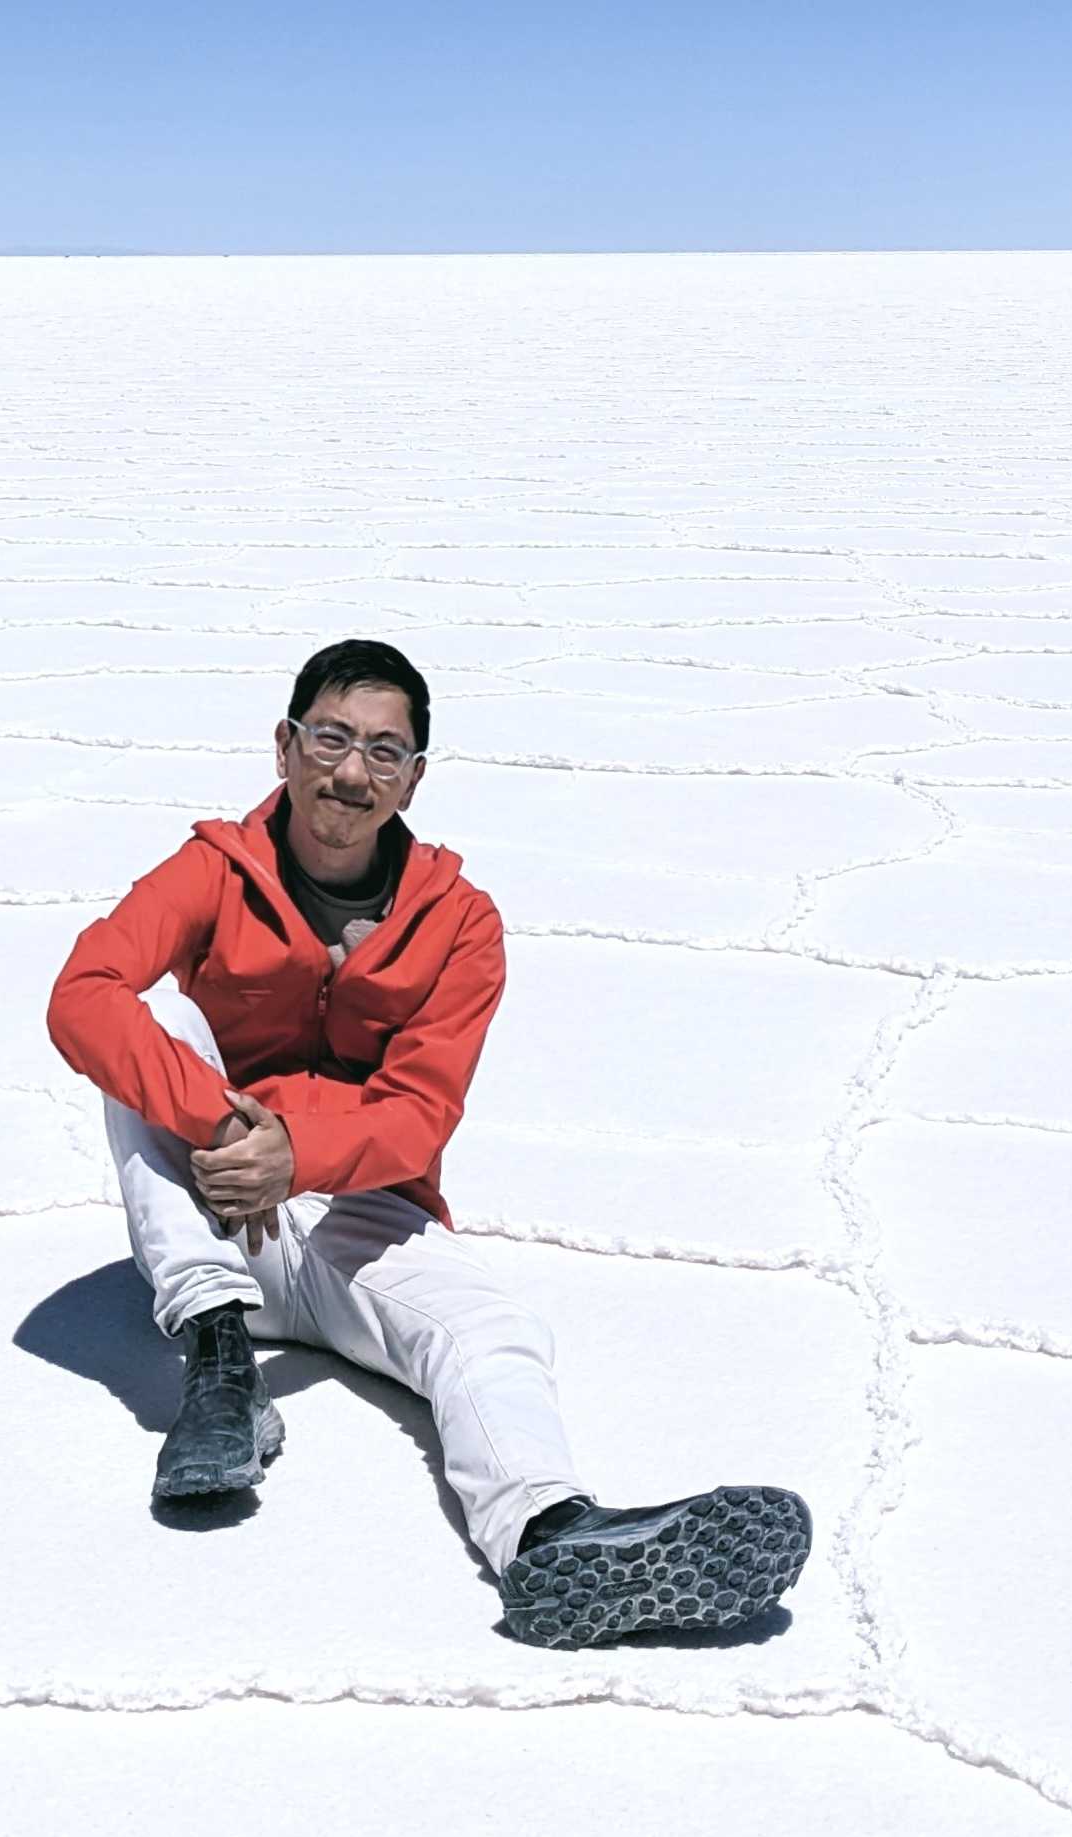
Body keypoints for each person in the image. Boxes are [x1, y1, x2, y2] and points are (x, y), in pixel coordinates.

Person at [43, 638, 811, 1649]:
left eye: (384, 752)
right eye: (331, 738)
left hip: (360, 1215)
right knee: (154, 1030)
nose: (351, 772)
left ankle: (549, 1535)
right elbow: (80, 996)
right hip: (215, 1217)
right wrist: (227, 1126)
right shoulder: (210, 872)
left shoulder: (458, 921)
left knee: (491, 1331)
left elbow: (418, 1112)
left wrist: (301, 1155)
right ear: (284, 746)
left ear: (413, 777)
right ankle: (223, 1372)